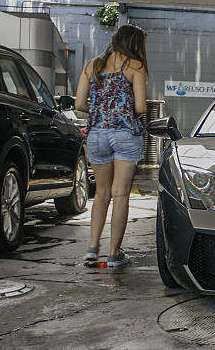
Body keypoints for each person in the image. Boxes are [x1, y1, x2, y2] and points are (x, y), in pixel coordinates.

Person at [75, 24, 148, 269]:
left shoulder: (92, 65)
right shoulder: (135, 66)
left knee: (101, 193)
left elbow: (79, 104)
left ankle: (92, 249)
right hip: (125, 132)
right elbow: (140, 108)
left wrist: (100, 111)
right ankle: (115, 254)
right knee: (120, 194)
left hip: (96, 133)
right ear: (134, 43)